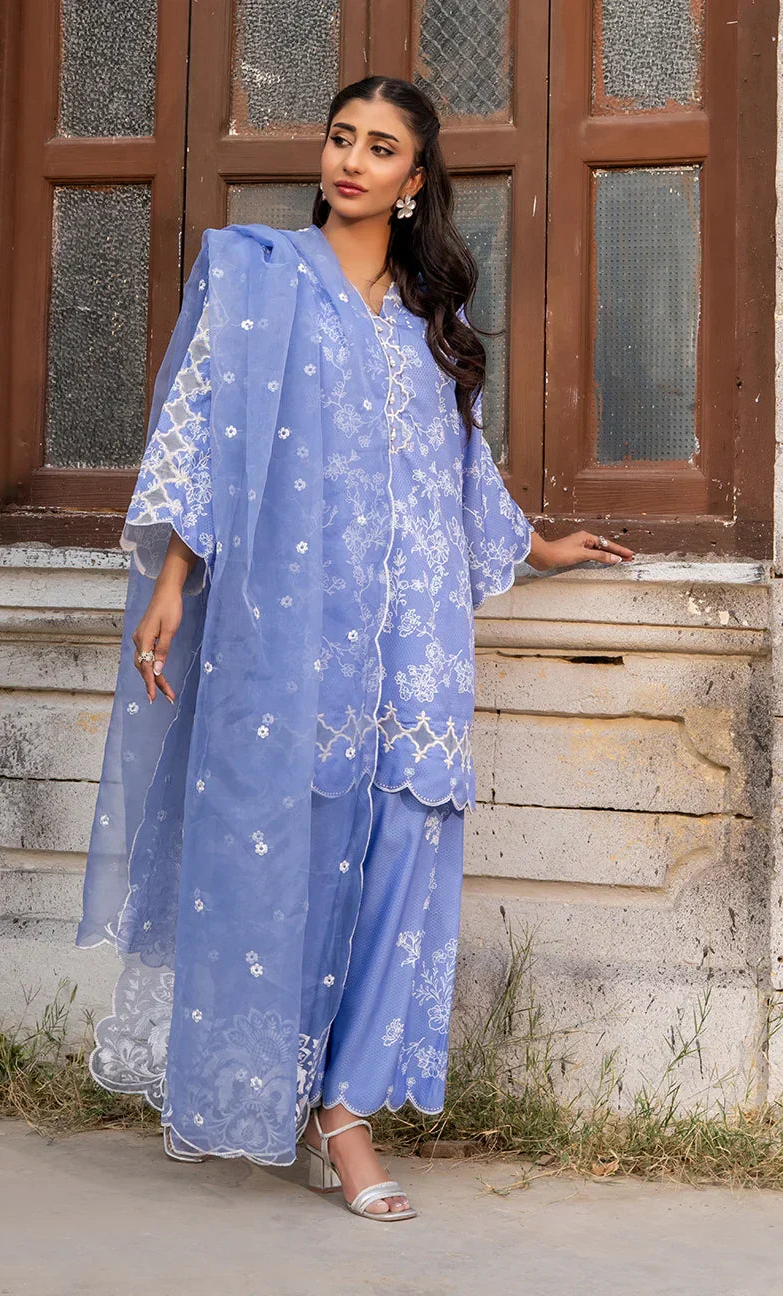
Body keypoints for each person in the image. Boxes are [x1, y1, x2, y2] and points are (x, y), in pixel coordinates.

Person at [75, 75, 633, 1222]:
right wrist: (172, 583)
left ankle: (347, 1113)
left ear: (414, 180)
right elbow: (202, 431)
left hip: (419, 640)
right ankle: (279, 1095)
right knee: (291, 853)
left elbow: (458, 467)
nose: (352, 161)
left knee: (403, 866)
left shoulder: (438, 320)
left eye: (381, 148)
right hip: (295, 632)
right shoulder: (259, 279)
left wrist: (539, 545)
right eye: (341, 138)